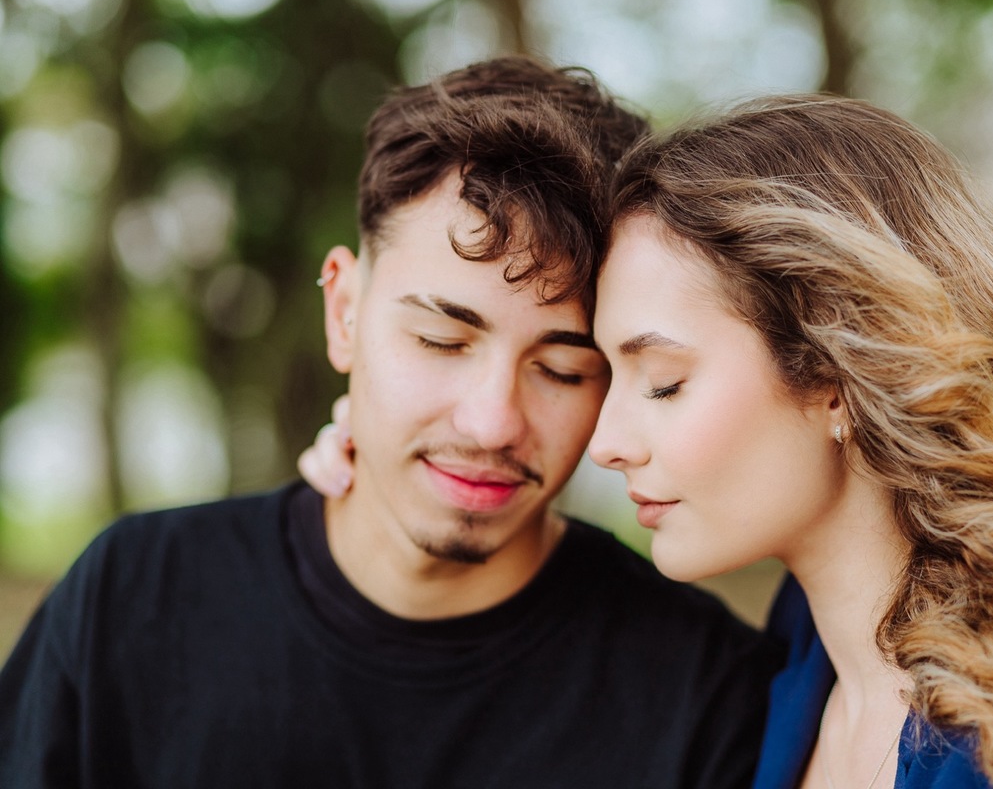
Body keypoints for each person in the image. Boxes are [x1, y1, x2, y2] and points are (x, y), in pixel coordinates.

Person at [305, 94, 993, 787]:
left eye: (663, 382)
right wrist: (396, 463)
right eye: (602, 378)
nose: (608, 443)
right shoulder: (804, 657)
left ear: (840, 377)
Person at [0, 57, 783, 788]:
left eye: (562, 369)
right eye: (442, 340)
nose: (490, 424)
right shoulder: (132, 599)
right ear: (344, 312)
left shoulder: (704, 688)